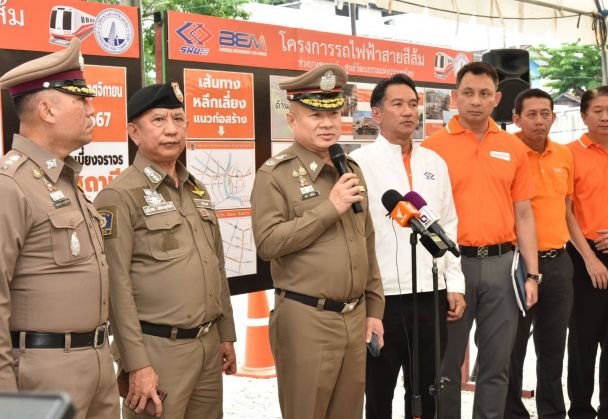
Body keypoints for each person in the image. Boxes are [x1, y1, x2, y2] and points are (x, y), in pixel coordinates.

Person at [94, 82, 237, 419]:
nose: (172, 129)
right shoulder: (119, 196)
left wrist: (226, 334)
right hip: (158, 351)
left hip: (207, 345)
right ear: (134, 132)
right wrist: (137, 364)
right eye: (158, 120)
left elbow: (216, 267)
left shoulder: (196, 190)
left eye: (178, 118)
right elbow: (116, 289)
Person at [250, 64, 385, 419]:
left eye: (334, 114)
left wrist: (374, 310)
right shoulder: (275, 175)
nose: (327, 123)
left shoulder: (349, 169)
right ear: (292, 121)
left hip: (355, 318)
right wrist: (329, 208)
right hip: (307, 319)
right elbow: (268, 243)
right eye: (315, 115)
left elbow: (366, 243)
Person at [0, 38, 119, 418]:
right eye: (81, 100)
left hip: (97, 363)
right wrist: (7, 400)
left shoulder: (65, 181)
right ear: (47, 110)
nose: (92, 109)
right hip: (43, 373)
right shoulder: (10, 185)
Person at [422, 62, 540, 419]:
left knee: (497, 363)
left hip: (503, 267)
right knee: (444, 366)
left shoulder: (513, 148)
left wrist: (532, 275)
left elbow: (524, 215)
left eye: (485, 94)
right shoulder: (431, 148)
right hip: (452, 266)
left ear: (497, 99)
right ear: (454, 97)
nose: (476, 101)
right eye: (469, 93)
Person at [349, 73, 465, 419]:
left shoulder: (434, 162)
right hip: (382, 298)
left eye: (413, 104)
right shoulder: (359, 163)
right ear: (376, 113)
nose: (408, 111)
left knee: (427, 389)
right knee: (379, 391)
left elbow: (448, 223)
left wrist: (455, 284)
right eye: (397, 104)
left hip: (431, 293)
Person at [504, 88, 574, 419]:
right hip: (517, 265)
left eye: (545, 114)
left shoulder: (564, 155)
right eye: (531, 114)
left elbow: (567, 208)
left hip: (559, 262)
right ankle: (512, 413)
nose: (539, 120)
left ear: (554, 117)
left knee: (553, 347)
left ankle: (552, 413)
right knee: (512, 348)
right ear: (516, 118)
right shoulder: (506, 153)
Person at [565, 85, 608, 419]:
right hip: (581, 256)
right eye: (598, 111)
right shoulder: (568, 154)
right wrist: (589, 259)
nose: (605, 117)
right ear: (584, 115)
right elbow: (564, 210)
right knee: (582, 338)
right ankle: (580, 409)